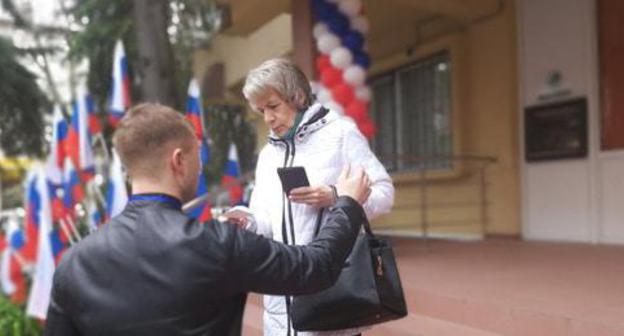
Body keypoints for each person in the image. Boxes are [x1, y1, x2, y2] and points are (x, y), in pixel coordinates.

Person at [43, 103, 373, 336]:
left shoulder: (73, 264)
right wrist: (347, 203)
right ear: (179, 161)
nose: (199, 168)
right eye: (197, 156)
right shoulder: (218, 244)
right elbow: (314, 268)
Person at [241, 58, 394, 336]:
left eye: (273, 106)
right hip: (278, 309)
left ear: (296, 97)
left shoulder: (340, 134)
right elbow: (265, 220)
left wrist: (336, 197)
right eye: (261, 110)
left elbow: (384, 192)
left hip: (331, 294)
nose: (268, 118)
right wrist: (247, 222)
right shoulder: (267, 156)